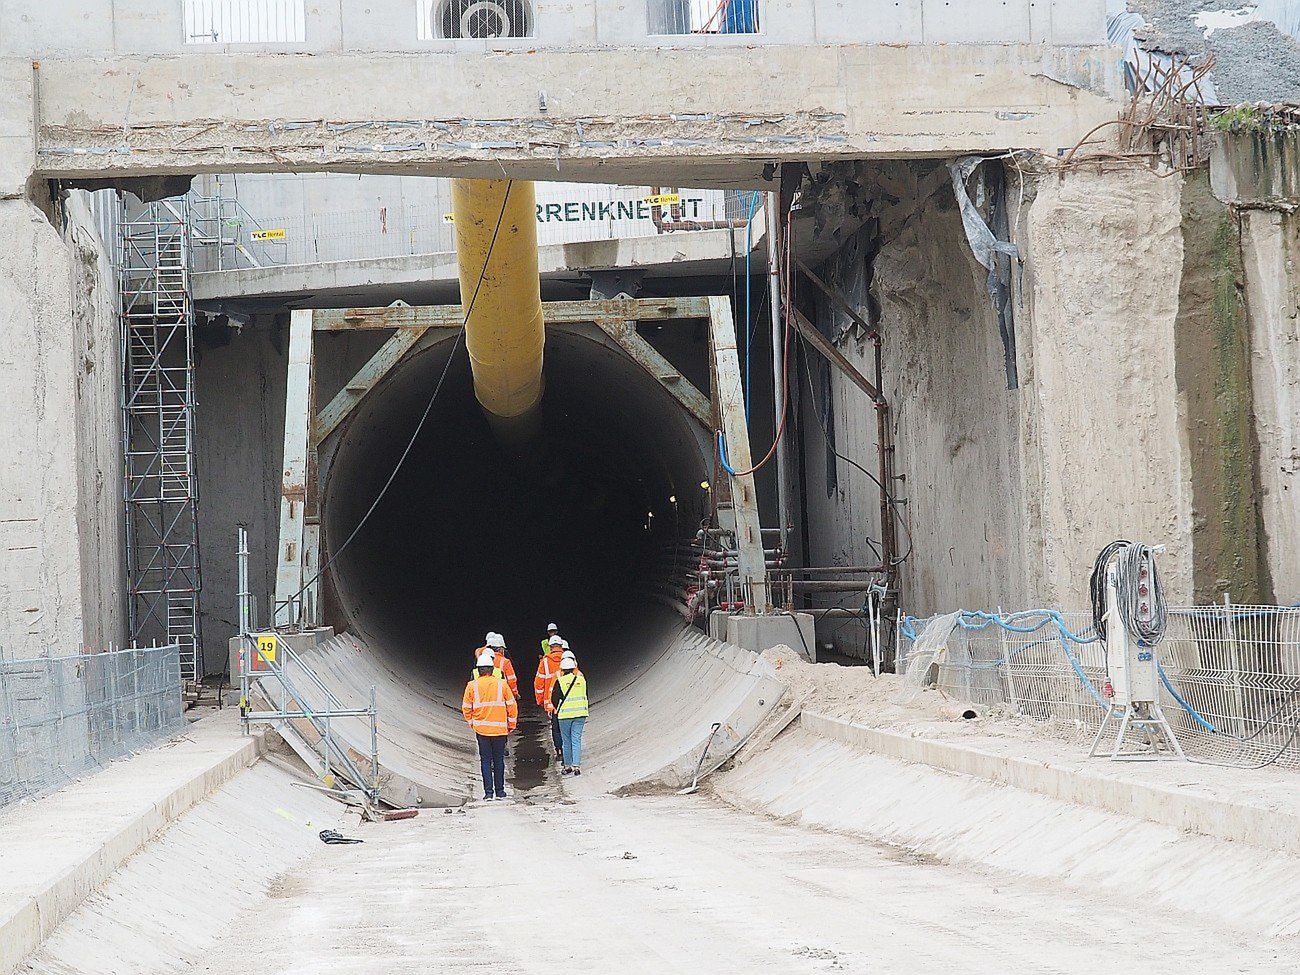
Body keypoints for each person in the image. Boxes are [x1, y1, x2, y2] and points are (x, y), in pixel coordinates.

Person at [462, 651, 517, 801]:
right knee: (498, 760)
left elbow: (466, 707)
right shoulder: (502, 684)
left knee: (485, 761)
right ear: (492, 669)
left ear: (478, 670)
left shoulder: (472, 686)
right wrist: (511, 724)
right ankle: (500, 791)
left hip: (482, 730)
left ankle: (488, 793)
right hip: (500, 729)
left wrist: (473, 723)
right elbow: (512, 706)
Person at [551, 649, 589, 775]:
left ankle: (567, 766)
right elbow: (585, 694)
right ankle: (577, 766)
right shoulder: (581, 680)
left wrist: (559, 708)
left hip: (565, 715)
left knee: (566, 741)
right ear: (574, 668)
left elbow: (554, 699)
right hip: (580, 714)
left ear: (562, 670)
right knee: (576, 739)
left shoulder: (560, 681)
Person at [535, 634, 566, 758]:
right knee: (567, 727)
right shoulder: (568, 658)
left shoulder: (545, 661)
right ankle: (568, 751)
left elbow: (539, 682)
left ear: (550, 646)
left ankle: (559, 750)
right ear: (561, 645)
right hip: (568, 700)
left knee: (556, 727)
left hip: (552, 701)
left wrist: (540, 700)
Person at [474, 632, 519, 699]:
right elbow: (511, 680)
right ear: (500, 649)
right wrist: (514, 694)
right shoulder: (505, 661)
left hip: (481, 693)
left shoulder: (481, 657)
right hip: (500, 694)